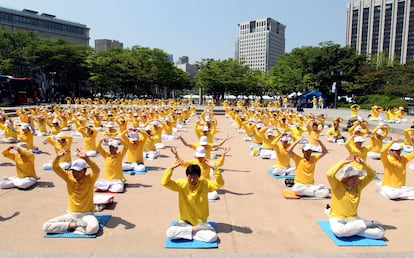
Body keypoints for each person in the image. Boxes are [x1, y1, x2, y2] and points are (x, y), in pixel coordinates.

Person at [161, 158, 224, 243]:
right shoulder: (181, 184)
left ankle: (187, 233)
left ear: (199, 176)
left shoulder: (205, 183)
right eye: (190, 177)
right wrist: (170, 169)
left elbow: (220, 183)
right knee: (170, 233)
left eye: (194, 178)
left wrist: (215, 169)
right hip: (185, 222)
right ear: (187, 176)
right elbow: (164, 182)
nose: (192, 180)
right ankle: (195, 231)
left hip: (200, 222)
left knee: (212, 237)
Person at [42, 148, 100, 235]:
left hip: (87, 214)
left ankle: (71, 227)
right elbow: (55, 167)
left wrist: (87, 158)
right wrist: (58, 157)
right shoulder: (68, 176)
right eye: (73, 171)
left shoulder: (90, 179)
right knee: (46, 226)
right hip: (72, 215)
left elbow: (97, 170)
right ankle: (74, 225)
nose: (74, 173)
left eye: (77, 171)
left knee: (93, 229)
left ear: (84, 171)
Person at [326, 155, 385, 239]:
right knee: (339, 231)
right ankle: (363, 226)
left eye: (356, 178)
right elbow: (329, 174)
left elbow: (372, 175)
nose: (355, 180)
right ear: (345, 178)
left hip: (353, 219)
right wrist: (342, 162)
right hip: (337, 218)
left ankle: (353, 230)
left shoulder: (359, 185)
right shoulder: (337, 185)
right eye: (352, 178)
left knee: (380, 233)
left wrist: (364, 164)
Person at [379, 134, 414, 199]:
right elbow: (382, 151)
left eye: (399, 150)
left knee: (397, 193)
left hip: (400, 187)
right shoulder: (387, 160)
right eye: (396, 150)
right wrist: (392, 141)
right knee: (392, 195)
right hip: (389, 187)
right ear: (390, 151)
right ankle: (403, 193)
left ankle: (403, 193)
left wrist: (413, 142)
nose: (398, 152)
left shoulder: (403, 159)